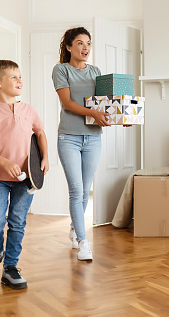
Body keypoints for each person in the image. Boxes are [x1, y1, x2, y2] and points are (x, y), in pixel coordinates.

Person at [0, 60, 49, 289]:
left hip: (26, 179)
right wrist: (4, 162)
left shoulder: (29, 110)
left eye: (20, 76)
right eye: (13, 77)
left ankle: (10, 268)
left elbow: (40, 133)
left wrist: (45, 158)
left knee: (17, 222)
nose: (19, 80)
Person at [52, 27, 110, 261]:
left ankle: (75, 228)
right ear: (68, 47)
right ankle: (84, 243)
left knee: (85, 190)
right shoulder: (61, 70)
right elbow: (67, 103)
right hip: (69, 137)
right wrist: (94, 114)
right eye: (79, 43)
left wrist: (119, 118)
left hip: (93, 138)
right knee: (76, 191)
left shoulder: (95, 71)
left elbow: (105, 104)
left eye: (88, 43)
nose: (85, 48)